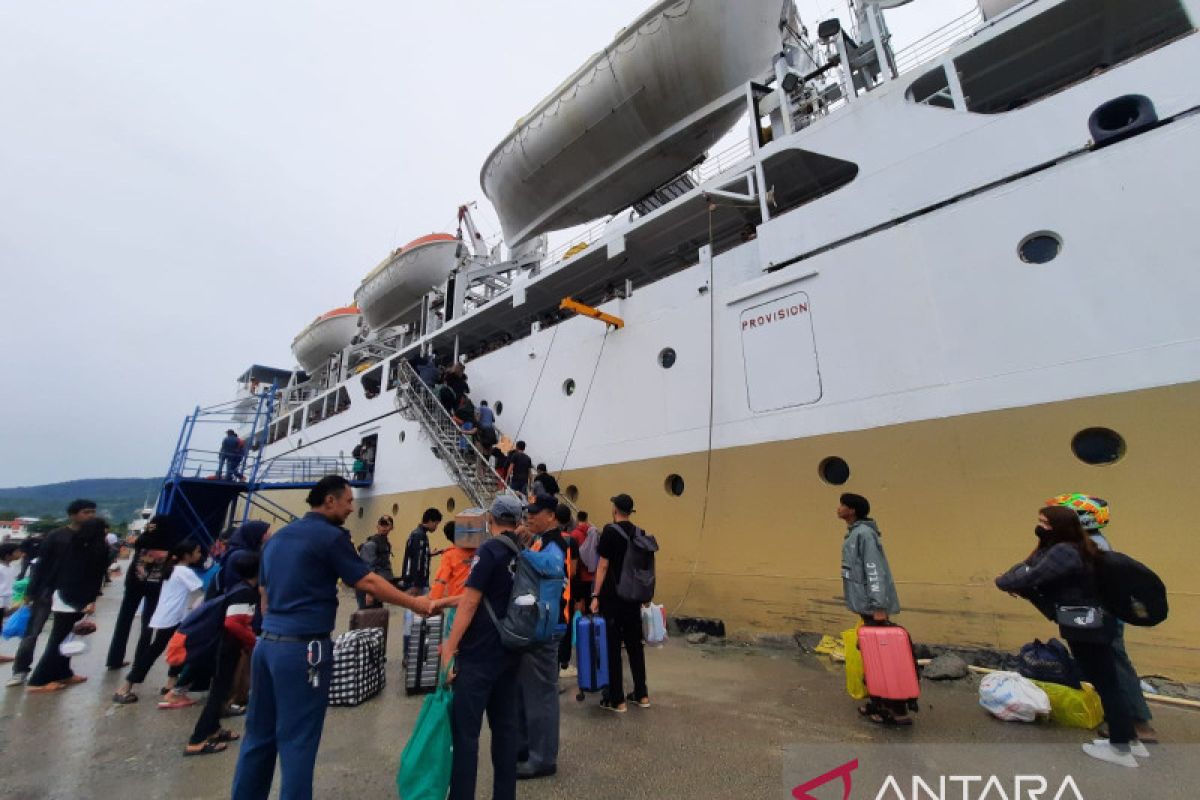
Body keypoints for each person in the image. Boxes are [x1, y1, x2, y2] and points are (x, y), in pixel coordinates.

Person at [231, 475, 437, 800]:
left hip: (267, 645)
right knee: (298, 741)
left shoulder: (276, 540)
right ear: (330, 500)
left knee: (258, 737)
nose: (352, 507)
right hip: (306, 649)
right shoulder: (331, 537)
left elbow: (264, 597)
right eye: (348, 501)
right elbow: (366, 582)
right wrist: (416, 603)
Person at [996, 505, 1145, 767]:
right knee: (1109, 681)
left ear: (1059, 527)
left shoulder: (1064, 552)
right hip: (1099, 623)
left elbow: (1033, 575)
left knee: (1106, 684)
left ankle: (1120, 749)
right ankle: (1130, 739)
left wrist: (1004, 581)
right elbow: (1032, 566)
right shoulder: (1082, 546)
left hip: (1085, 627)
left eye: (1045, 522)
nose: (1040, 526)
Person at [1046, 493, 1157, 743]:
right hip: (1103, 616)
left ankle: (1137, 723)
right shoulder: (1091, 541)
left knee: (1115, 667)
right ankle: (1127, 721)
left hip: (1101, 618)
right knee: (1113, 666)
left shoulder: (1091, 547)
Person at [441, 495, 524, 800]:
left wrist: (450, 647)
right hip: (510, 652)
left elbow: (470, 600)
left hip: (479, 656)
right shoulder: (523, 551)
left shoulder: (489, 549)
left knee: (466, 736)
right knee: (505, 732)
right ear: (517, 520)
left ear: (491, 519)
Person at [8, 499, 97, 687]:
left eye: (92, 512)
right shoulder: (56, 536)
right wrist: (31, 592)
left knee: (66, 634)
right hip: (47, 591)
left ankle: (63, 671)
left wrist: (90, 597)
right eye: (86, 512)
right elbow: (41, 565)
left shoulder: (91, 538)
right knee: (33, 632)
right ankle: (21, 671)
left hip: (72, 593)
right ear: (72, 515)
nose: (90, 516)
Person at [837, 492, 907, 725]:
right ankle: (879, 702)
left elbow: (874, 569)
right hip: (865, 606)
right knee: (872, 657)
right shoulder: (857, 533)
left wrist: (878, 606)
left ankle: (894, 709)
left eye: (842, 505)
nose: (838, 509)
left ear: (852, 510)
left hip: (872, 607)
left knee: (883, 658)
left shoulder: (864, 535)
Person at [515, 495, 571, 780]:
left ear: (551, 515)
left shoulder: (555, 543)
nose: (530, 517)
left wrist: (518, 551)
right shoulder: (543, 540)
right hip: (538, 628)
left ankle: (543, 758)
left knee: (541, 698)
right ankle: (528, 749)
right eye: (528, 513)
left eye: (535, 513)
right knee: (529, 694)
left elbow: (551, 566)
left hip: (546, 631)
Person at [185, 550, 262, 756]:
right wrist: (252, 641)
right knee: (219, 691)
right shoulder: (244, 592)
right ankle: (198, 739)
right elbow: (232, 623)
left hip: (230, 646)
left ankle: (213, 728)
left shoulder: (239, 588)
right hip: (228, 647)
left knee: (223, 689)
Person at [112, 538, 205, 706]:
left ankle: (170, 683)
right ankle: (126, 687)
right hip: (173, 618)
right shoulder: (185, 572)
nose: (200, 555)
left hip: (169, 616)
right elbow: (204, 590)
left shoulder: (172, 569)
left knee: (176, 650)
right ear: (187, 555)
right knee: (153, 653)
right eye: (197, 551)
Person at [25, 516, 110, 693]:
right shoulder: (96, 550)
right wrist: (90, 600)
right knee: (58, 639)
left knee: (65, 637)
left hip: (63, 595)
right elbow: (94, 578)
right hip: (74, 598)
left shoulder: (74, 545)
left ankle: (63, 672)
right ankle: (37, 681)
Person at [590, 494, 649, 713]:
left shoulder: (610, 532)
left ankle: (618, 699)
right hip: (633, 598)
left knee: (613, 647)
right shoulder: (640, 533)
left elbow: (603, 566)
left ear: (615, 509)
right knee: (635, 646)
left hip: (612, 599)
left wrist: (595, 595)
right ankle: (641, 694)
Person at [106, 514, 174, 670]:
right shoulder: (169, 542)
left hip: (134, 582)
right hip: (155, 585)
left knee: (124, 620)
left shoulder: (143, 539)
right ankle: (140, 660)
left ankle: (114, 658)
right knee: (148, 623)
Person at [553, 503, 580, 679]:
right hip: (566, 590)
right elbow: (574, 571)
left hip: (549, 589)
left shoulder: (544, 539)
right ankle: (563, 661)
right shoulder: (572, 541)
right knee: (566, 624)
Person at [429, 521, 475, 602]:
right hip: (477, 598)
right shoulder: (477, 549)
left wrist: (434, 601)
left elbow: (441, 580)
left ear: (448, 538)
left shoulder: (449, 555)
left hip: (457, 600)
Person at [356, 515, 395, 609]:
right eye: (382, 524)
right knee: (366, 618)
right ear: (377, 526)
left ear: (392, 527)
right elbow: (368, 569)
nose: (384, 527)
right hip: (368, 589)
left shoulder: (385, 543)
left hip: (377, 587)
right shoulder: (372, 544)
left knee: (377, 617)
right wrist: (369, 593)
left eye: (387, 525)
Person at [399, 508, 440, 595]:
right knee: (415, 606)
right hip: (417, 582)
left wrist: (429, 554)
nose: (436, 527)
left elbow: (417, 555)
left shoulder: (418, 534)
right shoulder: (419, 536)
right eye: (436, 524)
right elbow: (417, 560)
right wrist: (416, 584)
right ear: (430, 521)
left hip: (418, 580)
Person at [0, 542, 23, 664]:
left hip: (6, 599)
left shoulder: (11, 568)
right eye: (17, 551)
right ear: (8, 555)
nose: (19, 554)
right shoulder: (1, 568)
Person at [569, 510, 597, 606]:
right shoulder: (593, 533)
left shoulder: (574, 534)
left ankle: (578, 621)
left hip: (579, 574)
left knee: (578, 601)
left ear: (577, 519)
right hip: (591, 575)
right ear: (586, 519)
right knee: (589, 603)